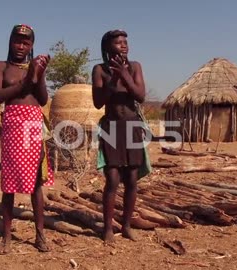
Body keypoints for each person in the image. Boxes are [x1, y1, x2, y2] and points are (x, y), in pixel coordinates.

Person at [0, 24, 54, 254]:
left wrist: (37, 75)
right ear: (10, 41)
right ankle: (6, 238)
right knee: (9, 184)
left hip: (33, 124)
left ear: (31, 45)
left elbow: (43, 99)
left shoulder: (35, 68)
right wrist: (26, 80)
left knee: (36, 183)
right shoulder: (1, 66)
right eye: (17, 41)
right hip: (13, 123)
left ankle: (40, 236)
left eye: (26, 42)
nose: (21, 45)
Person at [91, 29, 150, 243]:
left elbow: (140, 96)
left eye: (125, 41)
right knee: (113, 179)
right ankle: (107, 228)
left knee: (132, 179)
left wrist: (125, 75)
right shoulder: (99, 70)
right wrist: (113, 79)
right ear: (107, 47)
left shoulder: (135, 67)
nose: (123, 45)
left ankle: (126, 226)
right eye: (118, 42)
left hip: (132, 125)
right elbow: (98, 102)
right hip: (111, 127)